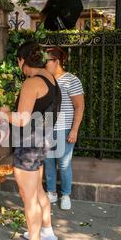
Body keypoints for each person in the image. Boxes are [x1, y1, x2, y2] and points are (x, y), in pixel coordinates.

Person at [0, 41, 61, 240]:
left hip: (30, 144)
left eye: (18, 61)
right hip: (42, 142)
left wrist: (4, 113)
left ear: (22, 60)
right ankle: (47, 232)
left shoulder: (31, 83)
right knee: (38, 191)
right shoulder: (51, 78)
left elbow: (22, 119)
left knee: (28, 196)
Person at [44, 47, 85, 210]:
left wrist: (74, 130)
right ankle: (51, 192)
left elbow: (80, 107)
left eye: (46, 60)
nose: (44, 63)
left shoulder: (71, 80)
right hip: (47, 129)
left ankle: (66, 194)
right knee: (48, 163)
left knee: (64, 164)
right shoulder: (45, 80)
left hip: (64, 129)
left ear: (56, 61)